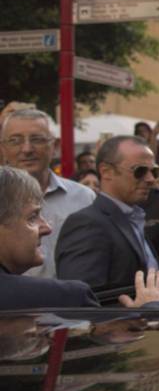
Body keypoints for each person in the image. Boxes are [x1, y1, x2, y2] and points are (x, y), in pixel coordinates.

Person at [0, 167, 159, 310]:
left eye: (155, 171)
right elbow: (87, 348)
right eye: (32, 217)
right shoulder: (61, 297)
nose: (47, 228)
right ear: (106, 170)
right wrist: (150, 314)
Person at [56, 136, 159, 290]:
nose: (151, 179)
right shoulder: (87, 224)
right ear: (106, 172)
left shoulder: (133, 217)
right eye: (140, 171)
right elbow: (80, 301)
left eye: (155, 171)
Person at [1, 109, 96, 279]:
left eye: (36, 139)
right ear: (3, 148)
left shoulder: (84, 198)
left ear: (55, 146)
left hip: (73, 300)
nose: (27, 149)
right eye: (15, 141)